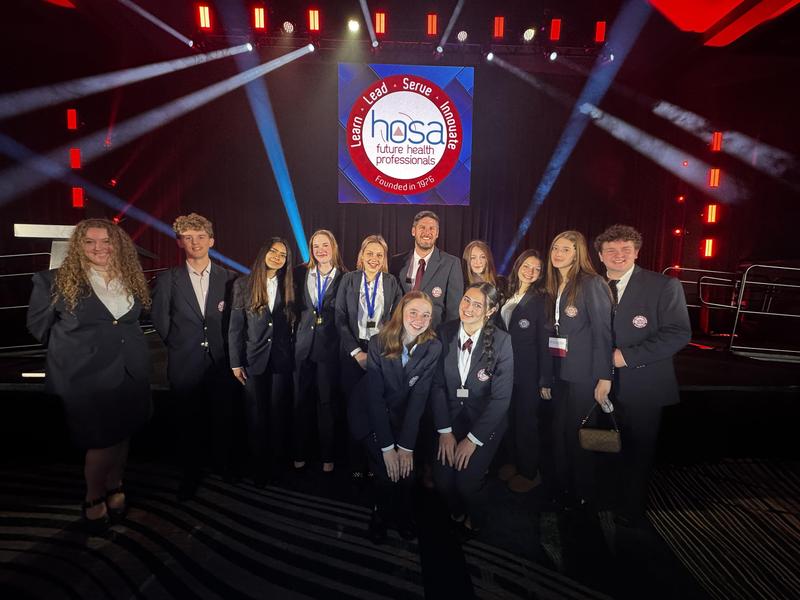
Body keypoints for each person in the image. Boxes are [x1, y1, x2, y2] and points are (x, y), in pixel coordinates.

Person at [27, 219, 152, 533]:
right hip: (86, 376)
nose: (100, 248)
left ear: (119, 245)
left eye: (107, 241)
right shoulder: (52, 280)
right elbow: (38, 327)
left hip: (130, 369)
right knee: (100, 440)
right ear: (78, 246)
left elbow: (129, 323)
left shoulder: (132, 278)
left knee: (123, 433)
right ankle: (93, 497)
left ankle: (115, 484)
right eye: (90, 242)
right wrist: (75, 352)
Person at [595, 224, 691, 527]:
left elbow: (678, 334)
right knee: (603, 444)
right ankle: (605, 498)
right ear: (600, 255)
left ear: (636, 252)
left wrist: (626, 357)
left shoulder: (663, 286)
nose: (618, 255)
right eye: (611, 250)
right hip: (598, 385)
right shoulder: (592, 286)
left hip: (643, 387)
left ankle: (630, 509)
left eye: (625, 249)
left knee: (637, 452)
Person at [151, 213, 238, 500]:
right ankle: (190, 475)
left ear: (211, 241)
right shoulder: (168, 279)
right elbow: (160, 320)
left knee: (223, 418)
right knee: (188, 422)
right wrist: (179, 344)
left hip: (221, 361)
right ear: (179, 242)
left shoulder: (230, 279)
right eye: (188, 237)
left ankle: (224, 467)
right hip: (184, 361)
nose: (195, 242)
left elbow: (235, 323)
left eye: (200, 236)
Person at [351, 291, 441, 543]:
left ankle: (402, 514)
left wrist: (405, 446)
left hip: (401, 417)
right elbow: (375, 399)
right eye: (413, 312)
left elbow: (419, 399)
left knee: (407, 471)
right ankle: (380, 515)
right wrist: (388, 447)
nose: (419, 319)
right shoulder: (379, 341)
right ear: (401, 312)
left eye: (426, 315)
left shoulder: (433, 347)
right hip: (369, 414)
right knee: (385, 470)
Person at [431, 283, 514, 538]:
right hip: (450, 420)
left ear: (490, 311)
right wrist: (445, 431)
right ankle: (455, 512)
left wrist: (473, 440)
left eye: (478, 305)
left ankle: (476, 519)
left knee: (467, 483)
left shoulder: (502, 341)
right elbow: (436, 386)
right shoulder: (444, 332)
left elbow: (501, 400)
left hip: (484, 422)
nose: (468, 308)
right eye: (466, 300)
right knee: (443, 481)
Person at [543, 230, 613, 509]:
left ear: (578, 253)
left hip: (584, 374)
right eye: (555, 248)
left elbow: (602, 332)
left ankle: (584, 492)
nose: (558, 253)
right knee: (559, 432)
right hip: (561, 370)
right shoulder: (555, 284)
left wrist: (604, 376)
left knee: (579, 433)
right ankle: (563, 488)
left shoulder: (591, 283)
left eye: (566, 249)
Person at [229, 238, 295, 486]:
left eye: (283, 254)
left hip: (281, 359)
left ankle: (277, 466)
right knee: (255, 416)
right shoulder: (243, 285)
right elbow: (235, 328)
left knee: (278, 415)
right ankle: (259, 468)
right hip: (252, 359)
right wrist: (236, 363)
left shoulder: (289, 284)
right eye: (273, 251)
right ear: (263, 252)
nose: (278, 257)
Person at [335, 235, 402, 480]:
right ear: (361, 255)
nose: (374, 259)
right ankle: (355, 466)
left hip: (382, 352)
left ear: (384, 259)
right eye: (370, 253)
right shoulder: (348, 280)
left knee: (378, 409)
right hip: (352, 352)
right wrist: (356, 353)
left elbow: (397, 320)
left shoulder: (392, 282)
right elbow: (340, 318)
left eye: (379, 255)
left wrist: (381, 352)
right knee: (354, 410)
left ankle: (375, 463)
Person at [496, 250, 552, 493]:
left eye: (536, 269)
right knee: (509, 418)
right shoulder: (507, 292)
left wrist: (545, 378)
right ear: (518, 265)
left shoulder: (541, 299)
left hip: (529, 370)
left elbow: (545, 341)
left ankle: (530, 472)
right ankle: (513, 462)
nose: (530, 271)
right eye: (527, 266)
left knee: (527, 421)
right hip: (506, 368)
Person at [293, 229, 345, 473]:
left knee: (326, 403)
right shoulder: (299, 273)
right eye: (316, 246)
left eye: (325, 245)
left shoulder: (346, 277)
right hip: (302, 348)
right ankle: (300, 451)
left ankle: (328, 455)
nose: (320, 250)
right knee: (300, 401)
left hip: (329, 349)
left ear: (333, 247)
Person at [390, 210, 463, 328]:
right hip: (401, 332)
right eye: (422, 227)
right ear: (413, 231)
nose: (427, 232)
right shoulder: (396, 262)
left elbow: (454, 311)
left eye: (432, 228)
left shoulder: (451, 264)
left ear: (437, 233)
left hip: (433, 336)